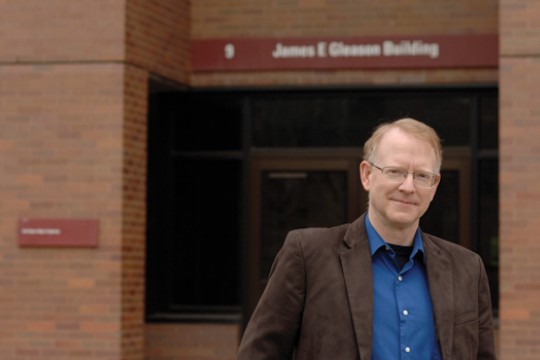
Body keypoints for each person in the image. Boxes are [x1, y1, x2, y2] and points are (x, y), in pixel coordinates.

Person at [237, 118, 496, 359]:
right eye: (395, 172)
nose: (408, 186)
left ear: (435, 186)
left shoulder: (468, 270)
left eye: (421, 176)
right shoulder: (308, 256)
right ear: (366, 175)